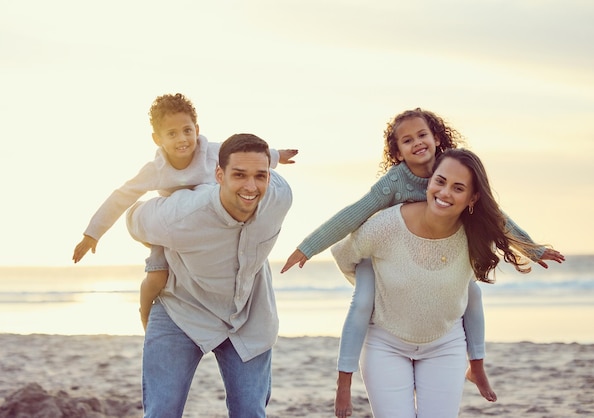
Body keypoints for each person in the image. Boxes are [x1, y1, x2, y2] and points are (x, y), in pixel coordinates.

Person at [280, 108, 564, 416]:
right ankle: (344, 381)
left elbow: (498, 219)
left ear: (437, 138)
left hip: (436, 279)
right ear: (397, 152)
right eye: (407, 140)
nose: (417, 143)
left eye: (422, 135)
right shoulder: (393, 183)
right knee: (362, 301)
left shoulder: (453, 168)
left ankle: (477, 365)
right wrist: (308, 247)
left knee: (473, 292)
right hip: (382, 254)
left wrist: (533, 250)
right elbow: (354, 214)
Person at [331, 148, 549, 417]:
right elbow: (344, 255)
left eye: (458, 188)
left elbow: (471, 293)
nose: (445, 193)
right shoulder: (387, 225)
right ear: (429, 182)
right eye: (440, 181)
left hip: (445, 345)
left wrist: (534, 250)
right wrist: (371, 284)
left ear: (473, 198)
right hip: (385, 343)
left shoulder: (476, 234)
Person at [71, 93, 298, 330]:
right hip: (172, 228)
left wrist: (277, 156)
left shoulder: (212, 153)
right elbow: (122, 196)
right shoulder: (154, 170)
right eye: (172, 134)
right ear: (157, 139)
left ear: (197, 129)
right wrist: (93, 233)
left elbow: (248, 156)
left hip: (210, 226)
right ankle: (146, 314)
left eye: (187, 130)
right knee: (157, 277)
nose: (183, 139)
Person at [126, 133, 292, 417]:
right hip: (182, 308)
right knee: (161, 412)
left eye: (260, 176)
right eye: (239, 175)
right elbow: (133, 218)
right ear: (219, 174)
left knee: (250, 412)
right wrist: (164, 247)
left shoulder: (280, 197)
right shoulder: (180, 217)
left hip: (249, 315)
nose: (251, 187)